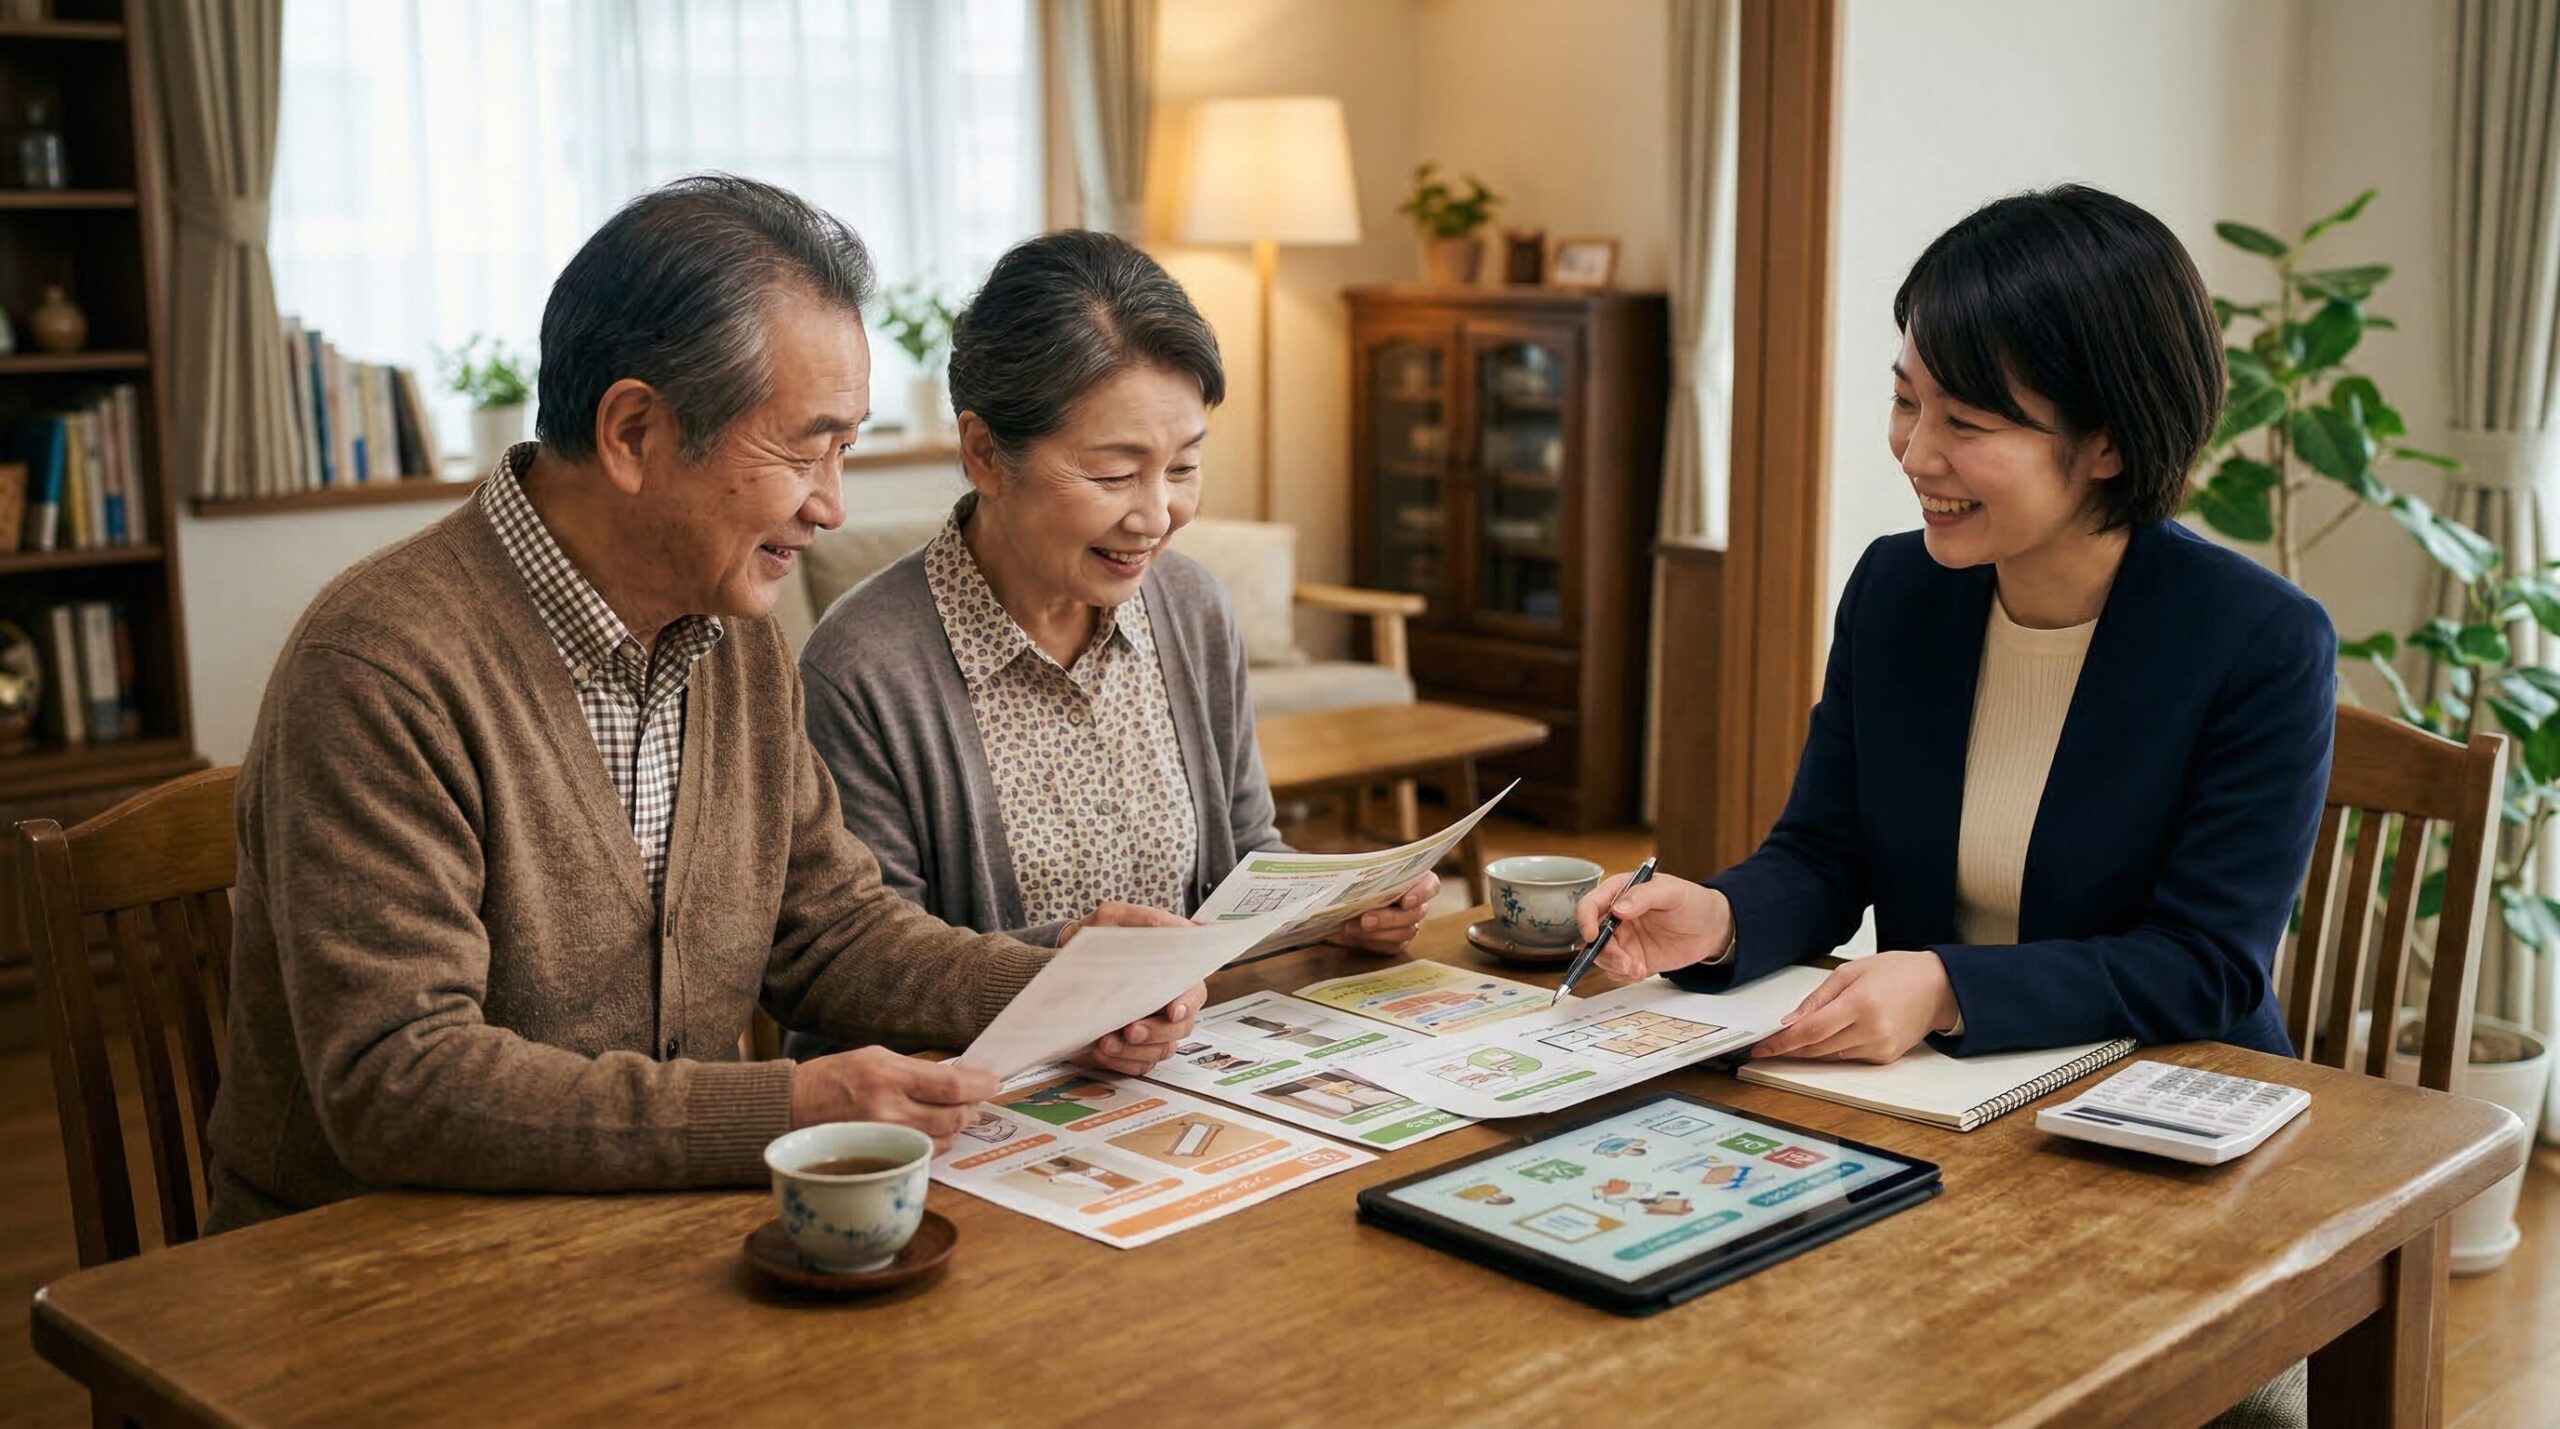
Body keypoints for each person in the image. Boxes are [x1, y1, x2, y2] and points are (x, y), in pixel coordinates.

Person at [206, 175, 1198, 1232]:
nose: (831, 504)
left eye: (846, 448)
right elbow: (398, 1083)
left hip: (636, 1235)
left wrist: (1060, 985)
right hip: (378, 1273)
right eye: (802, 447)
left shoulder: (734, 637)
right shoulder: (382, 666)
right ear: (634, 433)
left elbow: (832, 936)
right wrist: (786, 1104)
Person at [1581, 184, 2335, 1067]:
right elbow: (1826, 853)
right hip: (1936, 1094)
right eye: (1908, 402)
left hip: (2163, 1096)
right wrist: (1717, 920)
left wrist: (1946, 987)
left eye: (1966, 422)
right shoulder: (1897, 588)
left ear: (2109, 443)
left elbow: (2207, 963)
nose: (1916, 451)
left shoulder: (2258, 639)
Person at [794, 230, 1434, 976]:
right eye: (1112, 474)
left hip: (1192, 1063)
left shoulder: (1192, 608)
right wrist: (1071, 964)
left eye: (1184, 465)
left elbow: (1248, 855)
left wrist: (1327, 911)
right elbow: (858, 970)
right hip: (986, 1084)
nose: (1156, 515)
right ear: (985, 454)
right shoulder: (863, 667)